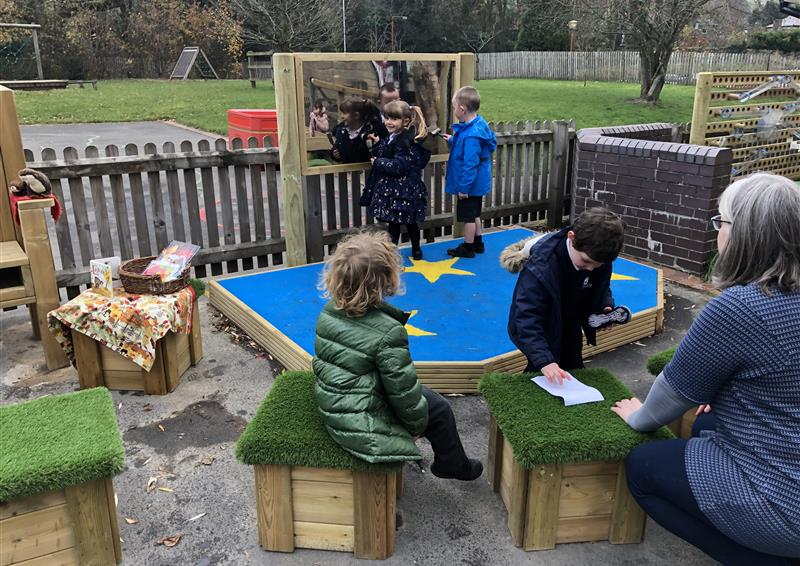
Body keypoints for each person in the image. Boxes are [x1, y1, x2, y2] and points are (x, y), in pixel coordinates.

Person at [611, 173, 800, 565]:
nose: (717, 230)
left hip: (785, 504)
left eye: (722, 221)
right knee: (702, 427)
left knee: (643, 469)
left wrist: (638, 417)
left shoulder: (742, 308)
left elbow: (671, 395)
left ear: (746, 234)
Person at [312, 232, 483, 480]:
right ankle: (452, 464)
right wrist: (414, 428)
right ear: (385, 280)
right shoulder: (388, 332)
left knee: (427, 396)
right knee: (439, 409)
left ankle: (451, 460)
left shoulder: (328, 313)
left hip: (334, 403)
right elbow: (403, 392)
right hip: (362, 421)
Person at [507, 208, 625, 384]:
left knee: (572, 363)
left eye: (597, 265)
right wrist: (545, 361)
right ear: (571, 237)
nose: (591, 269)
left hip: (572, 320)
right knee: (543, 367)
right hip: (544, 322)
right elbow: (525, 316)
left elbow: (601, 287)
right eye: (586, 261)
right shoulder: (541, 266)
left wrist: (604, 305)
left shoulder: (599, 255)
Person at [360, 100, 430, 261]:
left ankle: (400, 252)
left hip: (402, 190)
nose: (389, 122)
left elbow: (400, 165)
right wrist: (378, 143)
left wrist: (378, 162)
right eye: (387, 118)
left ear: (405, 121)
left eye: (394, 119)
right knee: (403, 223)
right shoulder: (395, 137)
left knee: (399, 223)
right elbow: (387, 150)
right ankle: (412, 250)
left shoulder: (404, 141)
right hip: (402, 189)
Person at [442, 86, 497, 258]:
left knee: (468, 217)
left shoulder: (472, 135)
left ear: (462, 109)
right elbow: (467, 147)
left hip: (470, 184)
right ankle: (478, 243)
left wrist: (464, 188)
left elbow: (470, 163)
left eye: (453, 107)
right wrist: (452, 139)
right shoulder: (477, 124)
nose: (453, 110)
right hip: (478, 182)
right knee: (475, 214)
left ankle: (468, 247)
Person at [330, 98, 388, 164]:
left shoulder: (372, 130)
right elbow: (337, 147)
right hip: (348, 172)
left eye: (344, 113)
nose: (341, 116)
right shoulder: (341, 131)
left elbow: (383, 149)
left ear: (356, 115)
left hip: (369, 171)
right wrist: (335, 154)